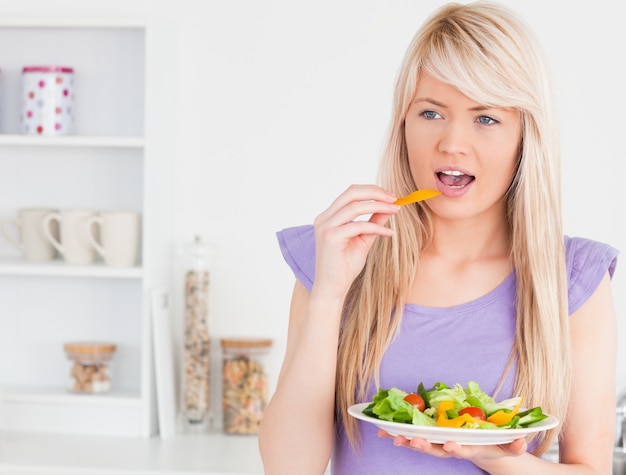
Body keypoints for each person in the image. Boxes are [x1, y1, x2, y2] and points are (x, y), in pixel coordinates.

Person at [258, 2, 619, 474]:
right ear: (402, 124)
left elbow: (589, 469)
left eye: (485, 118)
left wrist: (487, 454)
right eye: (430, 112)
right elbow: (289, 468)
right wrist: (329, 293)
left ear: (524, 137)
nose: (452, 142)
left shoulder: (573, 278)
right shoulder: (335, 258)